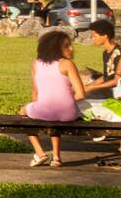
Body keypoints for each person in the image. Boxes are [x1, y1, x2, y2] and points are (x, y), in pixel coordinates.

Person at [19, 30, 86, 167]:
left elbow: (35, 92)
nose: (71, 48)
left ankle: (40, 153)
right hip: (69, 114)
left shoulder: (35, 64)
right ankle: (56, 157)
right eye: (67, 45)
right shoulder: (67, 64)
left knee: (22, 112)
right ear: (55, 47)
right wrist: (65, 100)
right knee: (55, 118)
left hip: (44, 110)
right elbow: (81, 94)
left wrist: (37, 106)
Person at [81, 21, 121, 168]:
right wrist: (89, 86)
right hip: (111, 90)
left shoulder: (119, 53)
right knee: (83, 92)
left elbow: (117, 79)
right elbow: (106, 76)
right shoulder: (106, 53)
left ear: (105, 36)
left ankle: (100, 128)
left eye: (95, 35)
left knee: (85, 103)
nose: (93, 38)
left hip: (115, 92)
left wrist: (90, 89)